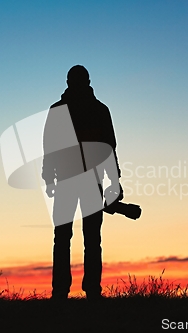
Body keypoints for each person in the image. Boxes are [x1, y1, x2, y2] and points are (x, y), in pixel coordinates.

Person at [42, 65, 121, 300]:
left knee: (75, 238)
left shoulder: (80, 110)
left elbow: (108, 148)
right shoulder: (97, 109)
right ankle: (74, 292)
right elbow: (51, 147)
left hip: (78, 180)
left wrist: (114, 182)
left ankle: (75, 292)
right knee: (81, 238)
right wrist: (114, 182)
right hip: (77, 180)